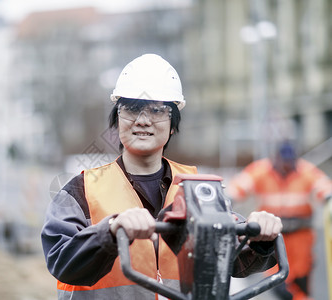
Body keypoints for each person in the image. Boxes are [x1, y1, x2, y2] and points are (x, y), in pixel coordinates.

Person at [41, 54, 283, 299]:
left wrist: (259, 238)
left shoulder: (199, 190)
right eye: (131, 109)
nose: (143, 121)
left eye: (157, 110)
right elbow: (62, 262)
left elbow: (233, 258)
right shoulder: (81, 190)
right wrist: (111, 231)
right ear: (116, 118)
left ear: (173, 123)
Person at [227, 141, 332, 300]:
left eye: (290, 162)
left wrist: (328, 198)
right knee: (278, 280)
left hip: (300, 235)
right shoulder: (261, 170)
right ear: (276, 158)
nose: (286, 166)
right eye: (284, 161)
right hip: (273, 235)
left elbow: (324, 187)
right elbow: (238, 187)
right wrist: (226, 201)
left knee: (301, 278)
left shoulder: (306, 170)